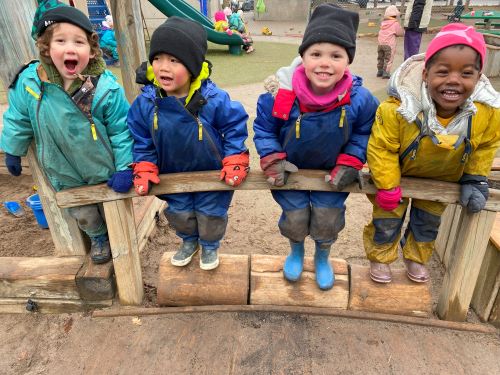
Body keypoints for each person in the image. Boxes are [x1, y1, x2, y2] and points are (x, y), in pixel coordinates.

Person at [253, 4, 379, 290]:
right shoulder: (281, 95)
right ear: (303, 57)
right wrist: (272, 158)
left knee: (327, 217)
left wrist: (351, 160)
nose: (325, 63)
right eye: (316, 54)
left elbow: (365, 130)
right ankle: (296, 250)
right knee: (295, 215)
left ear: (348, 60)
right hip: (290, 171)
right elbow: (264, 128)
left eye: (336, 56)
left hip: (333, 174)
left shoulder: (358, 99)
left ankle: (323, 256)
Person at [364, 23, 500, 284]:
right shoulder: (398, 109)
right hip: (398, 178)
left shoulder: (486, 113)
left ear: (479, 77)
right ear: (425, 74)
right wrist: (387, 183)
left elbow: (485, 145)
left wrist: (474, 178)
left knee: (427, 223)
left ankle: (416, 257)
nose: (454, 80)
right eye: (443, 71)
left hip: (442, 178)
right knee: (386, 220)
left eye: (466, 73)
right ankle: (380, 258)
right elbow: (382, 147)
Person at [1, 2, 134, 264]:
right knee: (84, 213)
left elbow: (122, 130)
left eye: (79, 42)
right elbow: (18, 118)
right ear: (47, 48)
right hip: (63, 170)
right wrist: (12, 150)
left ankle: (121, 239)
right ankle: (98, 237)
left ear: (92, 49)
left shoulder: (105, 88)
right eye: (61, 40)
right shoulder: (30, 82)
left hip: (103, 168)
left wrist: (126, 166)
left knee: (114, 209)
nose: (70, 48)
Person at [128, 17, 249, 271]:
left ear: (193, 65)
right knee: (180, 213)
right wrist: (145, 164)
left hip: (212, 173)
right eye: (158, 58)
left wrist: (236, 156)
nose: (164, 67)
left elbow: (234, 125)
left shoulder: (212, 98)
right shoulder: (147, 102)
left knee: (211, 213)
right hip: (172, 174)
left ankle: (210, 245)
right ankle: (189, 241)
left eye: (174, 60)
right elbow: (141, 136)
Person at [377, 5, 404, 79]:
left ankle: (380, 71)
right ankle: (386, 72)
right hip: (389, 45)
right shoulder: (395, 24)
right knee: (388, 59)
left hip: (380, 44)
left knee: (380, 58)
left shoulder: (383, 23)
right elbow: (400, 33)